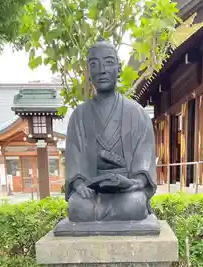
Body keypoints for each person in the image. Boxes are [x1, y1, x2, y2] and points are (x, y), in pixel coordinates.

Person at [65, 39, 157, 222]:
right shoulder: (79, 115)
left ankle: (102, 215)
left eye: (108, 62)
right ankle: (103, 214)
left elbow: (144, 159)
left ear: (119, 68)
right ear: (88, 72)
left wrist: (134, 183)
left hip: (126, 191)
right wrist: (79, 183)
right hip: (92, 192)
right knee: (76, 207)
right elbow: (74, 156)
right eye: (94, 64)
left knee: (135, 204)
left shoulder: (137, 114)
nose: (102, 70)